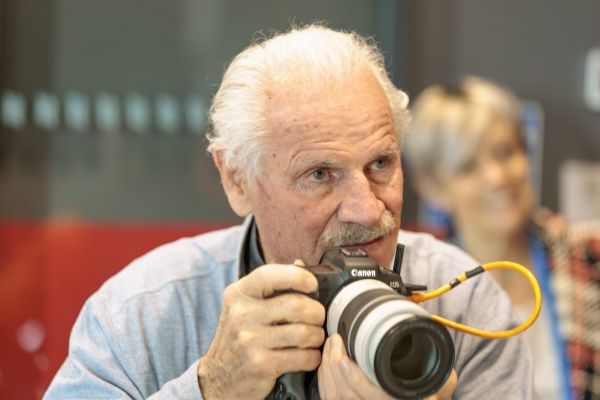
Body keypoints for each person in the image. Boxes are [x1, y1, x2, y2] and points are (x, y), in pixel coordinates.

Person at [44, 26, 533, 400]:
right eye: (320, 175)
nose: (367, 209)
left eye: (381, 163)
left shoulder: (465, 307)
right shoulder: (144, 313)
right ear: (237, 180)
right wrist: (211, 387)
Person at [404, 76, 600, 399]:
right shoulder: (424, 289)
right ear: (433, 188)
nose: (496, 177)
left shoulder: (588, 257)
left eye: (505, 152)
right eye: (468, 167)